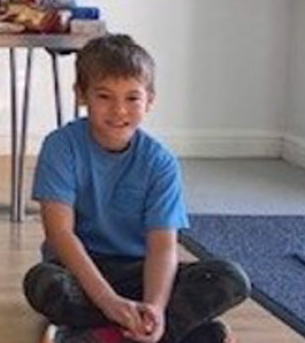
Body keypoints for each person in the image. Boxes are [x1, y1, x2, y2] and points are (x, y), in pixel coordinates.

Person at [23, 35, 250, 343]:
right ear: (81, 94)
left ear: (149, 100)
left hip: (141, 271)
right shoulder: (60, 146)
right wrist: (109, 301)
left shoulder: (160, 161)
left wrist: (155, 307)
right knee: (42, 283)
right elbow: (60, 234)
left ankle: (113, 334)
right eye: (104, 96)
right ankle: (173, 333)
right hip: (81, 269)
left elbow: (162, 246)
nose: (119, 110)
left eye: (132, 98)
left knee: (230, 278)